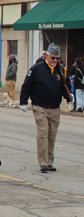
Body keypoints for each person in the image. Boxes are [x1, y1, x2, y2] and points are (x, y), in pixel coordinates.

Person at [20, 43, 71, 173]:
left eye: (57, 58)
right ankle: (42, 162)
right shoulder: (37, 68)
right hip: (40, 106)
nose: (55, 60)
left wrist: (70, 97)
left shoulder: (61, 69)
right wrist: (23, 102)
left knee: (52, 135)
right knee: (43, 133)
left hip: (55, 107)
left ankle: (49, 162)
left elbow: (67, 85)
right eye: (52, 57)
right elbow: (27, 85)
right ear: (47, 56)